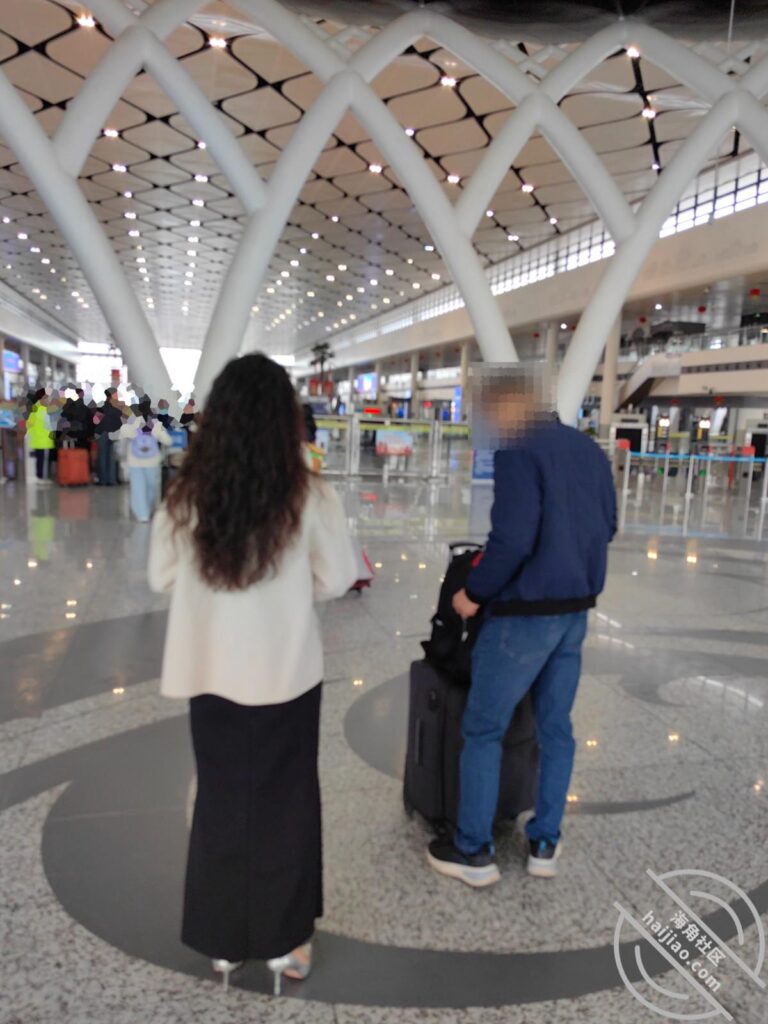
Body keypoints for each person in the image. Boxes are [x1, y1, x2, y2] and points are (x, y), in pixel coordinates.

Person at [148, 353, 357, 993]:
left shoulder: (186, 497)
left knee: (220, 799)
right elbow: (339, 577)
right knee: (286, 803)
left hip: (210, 674)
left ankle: (221, 941)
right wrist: (289, 592)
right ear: (283, 420)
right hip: (285, 674)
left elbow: (161, 576)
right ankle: (283, 941)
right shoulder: (310, 495)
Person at [427, 369, 616, 887]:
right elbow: (608, 526)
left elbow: (511, 539)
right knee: (556, 728)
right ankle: (544, 842)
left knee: (483, 727)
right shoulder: (588, 450)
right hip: (574, 612)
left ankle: (473, 851)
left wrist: (473, 593)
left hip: (523, 615)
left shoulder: (518, 451)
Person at [119, 396, 171, 522]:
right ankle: (149, 509)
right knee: (151, 487)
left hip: (135, 461)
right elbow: (167, 440)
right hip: (152, 461)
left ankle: (142, 514)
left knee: (138, 487)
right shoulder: (155, 423)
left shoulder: (131, 422)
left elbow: (123, 433)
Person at [94, 388, 123, 485]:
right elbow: (121, 423)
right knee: (112, 457)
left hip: (102, 434)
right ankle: (111, 480)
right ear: (112, 396)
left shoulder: (101, 408)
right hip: (113, 435)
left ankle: (102, 480)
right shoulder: (117, 410)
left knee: (102, 457)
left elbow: (96, 422)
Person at [26, 389, 55, 484]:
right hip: (44, 440)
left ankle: (40, 477)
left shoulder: (35, 408)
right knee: (44, 460)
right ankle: (43, 478)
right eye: (47, 399)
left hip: (38, 439)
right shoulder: (43, 410)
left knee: (40, 459)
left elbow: (29, 424)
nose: (48, 401)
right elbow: (49, 425)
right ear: (42, 399)